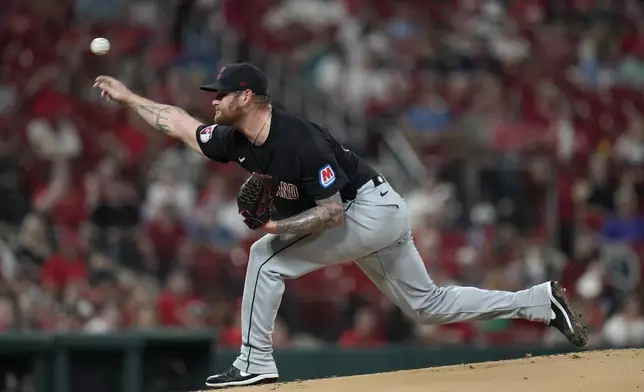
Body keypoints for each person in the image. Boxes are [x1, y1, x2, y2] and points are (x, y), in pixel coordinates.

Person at [93, 62, 587, 389]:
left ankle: (256, 361)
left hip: (366, 211)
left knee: (265, 259)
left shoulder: (298, 141)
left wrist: (274, 228)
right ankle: (540, 301)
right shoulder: (234, 138)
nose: (213, 101)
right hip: (375, 214)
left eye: (221, 94)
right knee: (427, 306)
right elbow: (175, 122)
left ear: (246, 96)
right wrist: (129, 97)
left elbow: (331, 214)